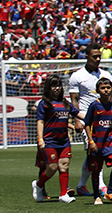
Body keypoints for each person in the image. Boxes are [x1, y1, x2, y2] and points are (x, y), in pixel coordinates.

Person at [68, 47, 110, 197]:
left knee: (95, 152)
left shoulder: (105, 74)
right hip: (86, 119)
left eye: (99, 56)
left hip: (104, 120)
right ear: (87, 56)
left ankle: (81, 185)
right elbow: (74, 99)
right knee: (94, 150)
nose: (98, 59)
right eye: (94, 56)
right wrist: (77, 120)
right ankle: (101, 186)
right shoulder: (77, 75)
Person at [34, 74, 79, 203]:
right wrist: (40, 139)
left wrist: (91, 117)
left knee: (64, 166)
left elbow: (77, 114)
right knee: (52, 167)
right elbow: (40, 122)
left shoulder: (65, 103)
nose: (57, 88)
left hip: (64, 141)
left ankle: (63, 195)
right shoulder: (44, 104)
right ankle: (38, 184)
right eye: (54, 85)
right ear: (48, 87)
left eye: (58, 85)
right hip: (49, 141)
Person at [83, 77, 112, 204]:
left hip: (110, 141)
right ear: (98, 90)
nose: (106, 90)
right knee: (96, 169)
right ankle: (96, 196)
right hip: (97, 142)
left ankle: (110, 192)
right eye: (103, 88)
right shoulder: (94, 105)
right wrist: (91, 141)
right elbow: (87, 124)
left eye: (108, 88)